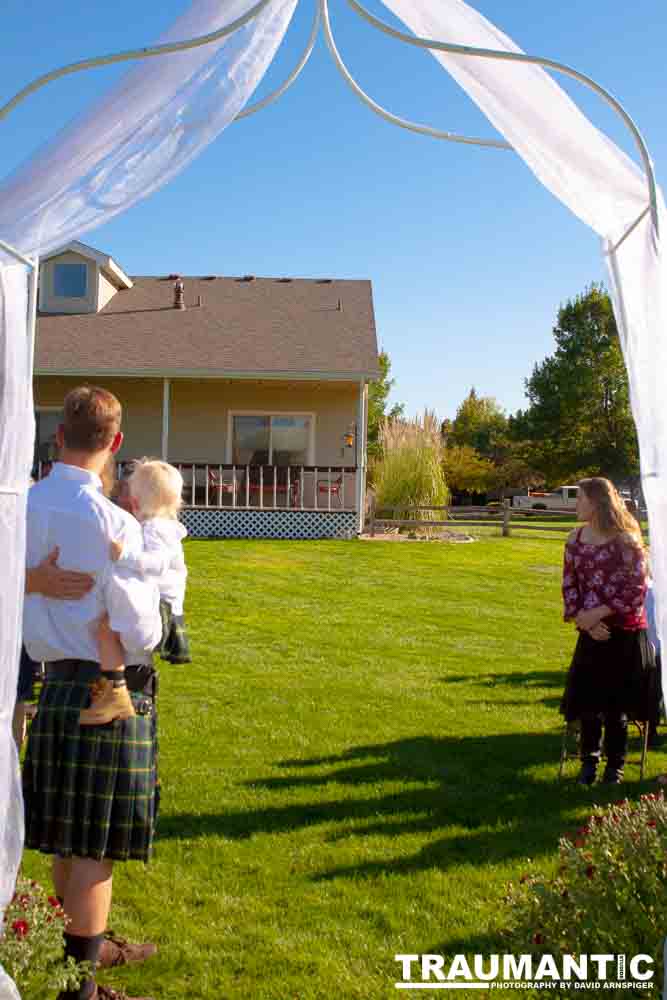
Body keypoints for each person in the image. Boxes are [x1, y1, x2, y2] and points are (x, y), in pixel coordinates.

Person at [22, 385, 162, 1000]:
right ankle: (79, 989)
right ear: (116, 443)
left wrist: (30, 579)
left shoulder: (18, 506)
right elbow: (138, 630)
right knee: (92, 848)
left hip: (51, 686)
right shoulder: (118, 524)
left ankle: (77, 961)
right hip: (104, 690)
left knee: (65, 837)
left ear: (57, 437)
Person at [560, 477, 655, 786]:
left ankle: (615, 767)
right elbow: (569, 584)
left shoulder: (626, 541)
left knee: (616, 707)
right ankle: (589, 762)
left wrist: (598, 615)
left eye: (581, 499)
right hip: (590, 631)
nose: (576, 504)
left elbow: (636, 589)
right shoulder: (575, 539)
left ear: (598, 502)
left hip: (623, 632)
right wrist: (583, 620)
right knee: (588, 703)